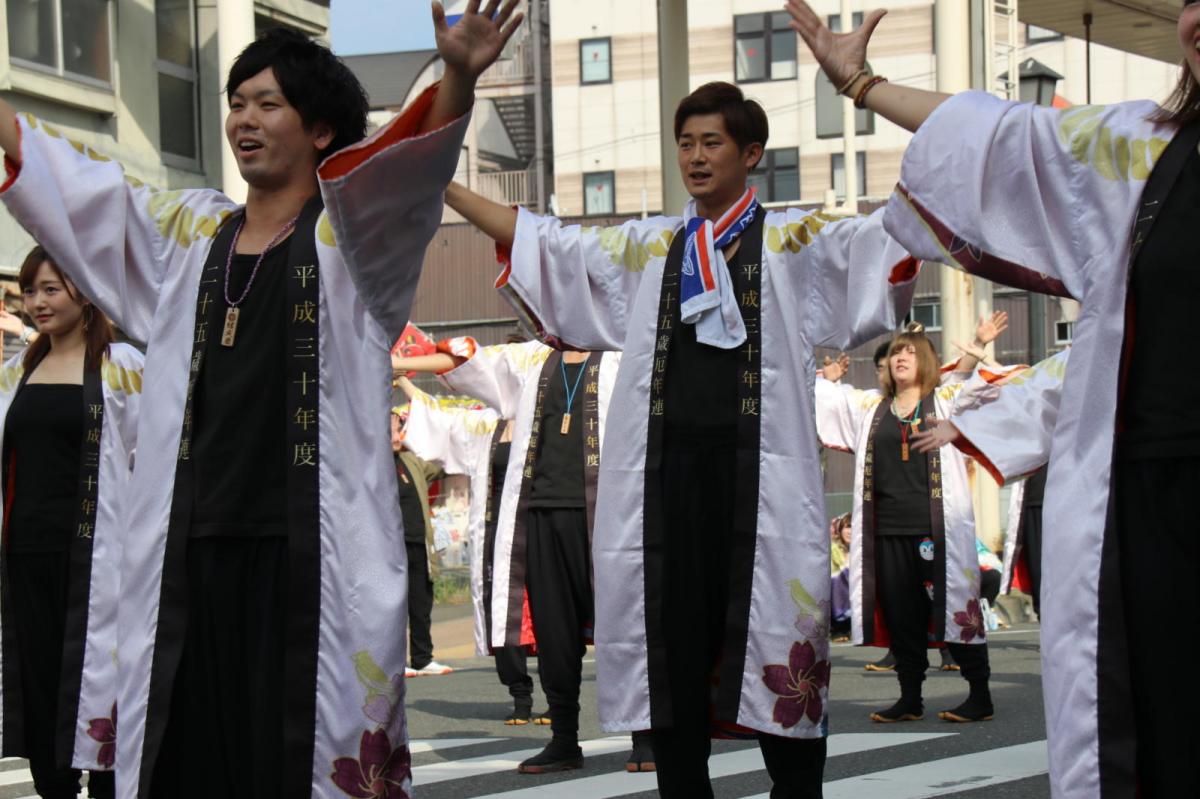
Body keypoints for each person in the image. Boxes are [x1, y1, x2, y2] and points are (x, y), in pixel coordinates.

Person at [0, 4, 521, 796]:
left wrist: (456, 76)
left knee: (293, 761)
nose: (244, 118)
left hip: (307, 556)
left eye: (267, 103)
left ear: (319, 130)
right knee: (189, 759)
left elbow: (410, 171)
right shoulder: (191, 233)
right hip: (189, 553)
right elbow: (84, 192)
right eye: (236, 102)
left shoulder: (354, 236)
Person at [442, 78, 919, 797]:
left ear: (751, 153)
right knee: (673, 672)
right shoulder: (653, 247)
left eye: (712, 143)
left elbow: (891, 237)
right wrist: (442, 184)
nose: (695, 157)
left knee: (781, 663)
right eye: (686, 143)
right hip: (662, 492)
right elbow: (545, 242)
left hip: (760, 491)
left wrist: (868, 89)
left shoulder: (793, 242)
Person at [788, 0, 1200, 793]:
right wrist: (864, 84)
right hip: (1148, 505)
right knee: (1160, 723)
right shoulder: (1146, 150)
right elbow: (1007, 138)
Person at [393, 340, 646, 773]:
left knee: (628, 625)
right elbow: (464, 356)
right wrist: (395, 362)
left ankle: (646, 736)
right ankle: (565, 738)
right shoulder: (531, 359)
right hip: (541, 515)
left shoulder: (624, 354)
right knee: (554, 633)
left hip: (610, 515)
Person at [815, 325, 1021, 724]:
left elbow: (992, 388)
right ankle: (910, 698)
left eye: (908, 352)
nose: (900, 358)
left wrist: (976, 348)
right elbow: (819, 396)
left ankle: (980, 695)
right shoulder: (869, 406)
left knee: (956, 610)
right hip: (886, 531)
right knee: (901, 615)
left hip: (936, 531)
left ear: (924, 361)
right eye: (895, 353)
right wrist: (827, 379)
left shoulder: (944, 400)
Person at [0, 247, 142, 799]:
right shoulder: (16, 371)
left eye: (49, 289)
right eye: (31, 290)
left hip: (100, 557)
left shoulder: (122, 366)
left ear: (83, 292)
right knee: (38, 679)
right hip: (26, 554)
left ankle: (107, 785)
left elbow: (154, 458)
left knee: (100, 679)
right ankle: (53, 785)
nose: (37, 301)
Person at [395, 373, 543, 722]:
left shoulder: (542, 419)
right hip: (495, 532)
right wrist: (405, 383)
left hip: (537, 526)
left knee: (546, 611)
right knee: (501, 614)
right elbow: (440, 419)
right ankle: (519, 694)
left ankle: (558, 695)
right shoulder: (484, 425)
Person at [390, 407, 453, 678]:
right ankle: (394, 661)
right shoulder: (372, 463)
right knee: (394, 607)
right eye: (394, 429)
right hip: (390, 547)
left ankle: (422, 658)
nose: (398, 434)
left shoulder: (410, 460)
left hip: (418, 542)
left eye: (400, 428)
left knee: (420, 602)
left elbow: (441, 468)